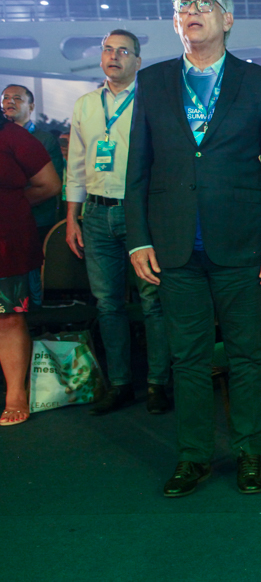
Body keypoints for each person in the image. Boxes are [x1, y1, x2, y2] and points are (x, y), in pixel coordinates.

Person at [126, 0, 261, 497]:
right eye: (183, 5)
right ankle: (193, 457)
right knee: (188, 358)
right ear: (175, 21)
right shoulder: (153, 81)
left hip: (242, 245)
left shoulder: (258, 82)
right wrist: (137, 238)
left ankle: (250, 454)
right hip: (173, 245)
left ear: (228, 17)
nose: (192, 12)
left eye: (203, 3)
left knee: (244, 355)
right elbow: (138, 168)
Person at [64, 29, 171, 416]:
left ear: (137, 61)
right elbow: (76, 164)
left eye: (123, 51)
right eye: (108, 50)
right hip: (95, 213)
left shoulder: (151, 101)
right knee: (107, 304)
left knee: (152, 301)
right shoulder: (86, 105)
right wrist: (71, 217)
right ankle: (120, 383)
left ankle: (158, 383)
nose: (114, 56)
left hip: (140, 211)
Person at [0, 115, 61, 426]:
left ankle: (15, 394)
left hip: (6, 241)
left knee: (8, 317)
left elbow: (50, 184)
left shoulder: (13, 135)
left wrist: (11, 205)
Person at [2, 84, 64, 307]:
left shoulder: (43, 139)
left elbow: (51, 184)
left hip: (35, 221)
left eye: (17, 98)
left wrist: (11, 203)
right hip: (8, 227)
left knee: (26, 292)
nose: (10, 102)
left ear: (31, 106)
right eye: (6, 97)